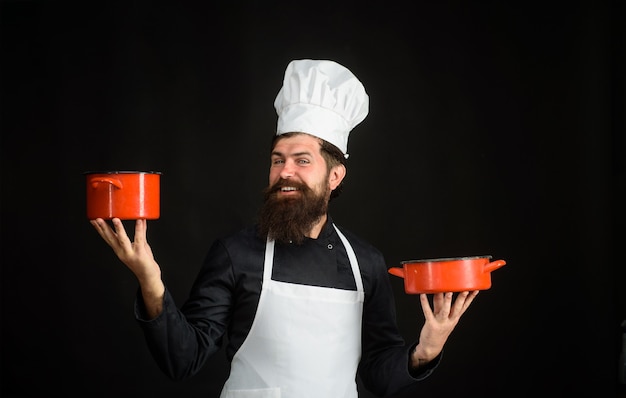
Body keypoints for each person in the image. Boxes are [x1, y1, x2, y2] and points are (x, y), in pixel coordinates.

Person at [90, 59, 479, 398]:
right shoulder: (236, 254)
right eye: (278, 160)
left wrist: (424, 351)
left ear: (335, 176)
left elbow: (379, 377)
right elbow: (182, 359)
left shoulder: (366, 264)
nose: (285, 172)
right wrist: (149, 278)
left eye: (301, 160)